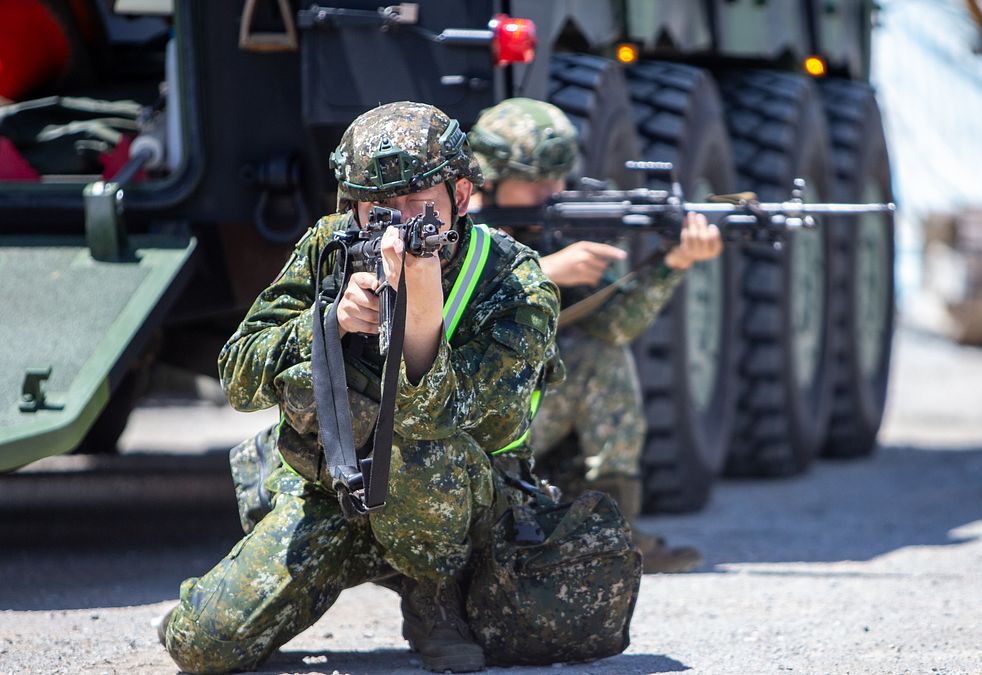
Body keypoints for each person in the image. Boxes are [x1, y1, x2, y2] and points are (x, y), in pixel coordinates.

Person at [159, 101, 559, 674]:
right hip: (337, 491)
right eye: (378, 211)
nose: (398, 227)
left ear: (462, 196)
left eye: (418, 206)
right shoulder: (331, 245)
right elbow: (239, 376)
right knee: (204, 645)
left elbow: (434, 417)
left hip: (454, 506)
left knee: (416, 446)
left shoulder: (515, 283)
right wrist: (328, 322)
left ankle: (433, 594)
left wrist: (420, 297)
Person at [468, 98, 722, 574]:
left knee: (597, 353)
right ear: (490, 177)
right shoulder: (449, 228)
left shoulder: (556, 224)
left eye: (558, 178)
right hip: (455, 423)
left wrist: (674, 264)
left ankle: (613, 535)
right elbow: (433, 318)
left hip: (524, 416)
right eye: (536, 180)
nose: (551, 192)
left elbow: (613, 327)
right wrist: (542, 273)